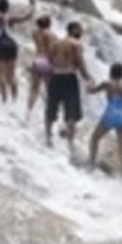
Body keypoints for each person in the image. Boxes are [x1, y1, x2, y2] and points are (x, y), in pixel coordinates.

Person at [45, 21, 93, 151]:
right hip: (69, 78)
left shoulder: (55, 43)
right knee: (71, 111)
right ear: (73, 30)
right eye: (79, 30)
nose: (81, 32)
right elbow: (80, 63)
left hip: (55, 77)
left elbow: (49, 60)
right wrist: (88, 78)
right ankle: (70, 143)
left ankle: (48, 136)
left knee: (51, 107)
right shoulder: (76, 44)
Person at [88, 63, 122, 177]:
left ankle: (91, 163)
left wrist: (90, 82)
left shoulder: (107, 84)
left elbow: (91, 91)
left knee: (94, 138)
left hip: (110, 114)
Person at [0, 0, 36, 103]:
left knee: (0, 75)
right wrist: (32, 6)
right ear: (7, 8)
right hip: (11, 44)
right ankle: (14, 100)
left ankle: (4, 100)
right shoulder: (10, 18)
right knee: (11, 75)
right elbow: (26, 17)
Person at [25, 15, 56, 120]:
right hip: (47, 62)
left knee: (34, 89)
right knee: (50, 91)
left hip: (37, 60)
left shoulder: (35, 33)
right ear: (49, 24)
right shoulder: (50, 34)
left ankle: (28, 113)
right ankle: (50, 116)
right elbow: (51, 50)